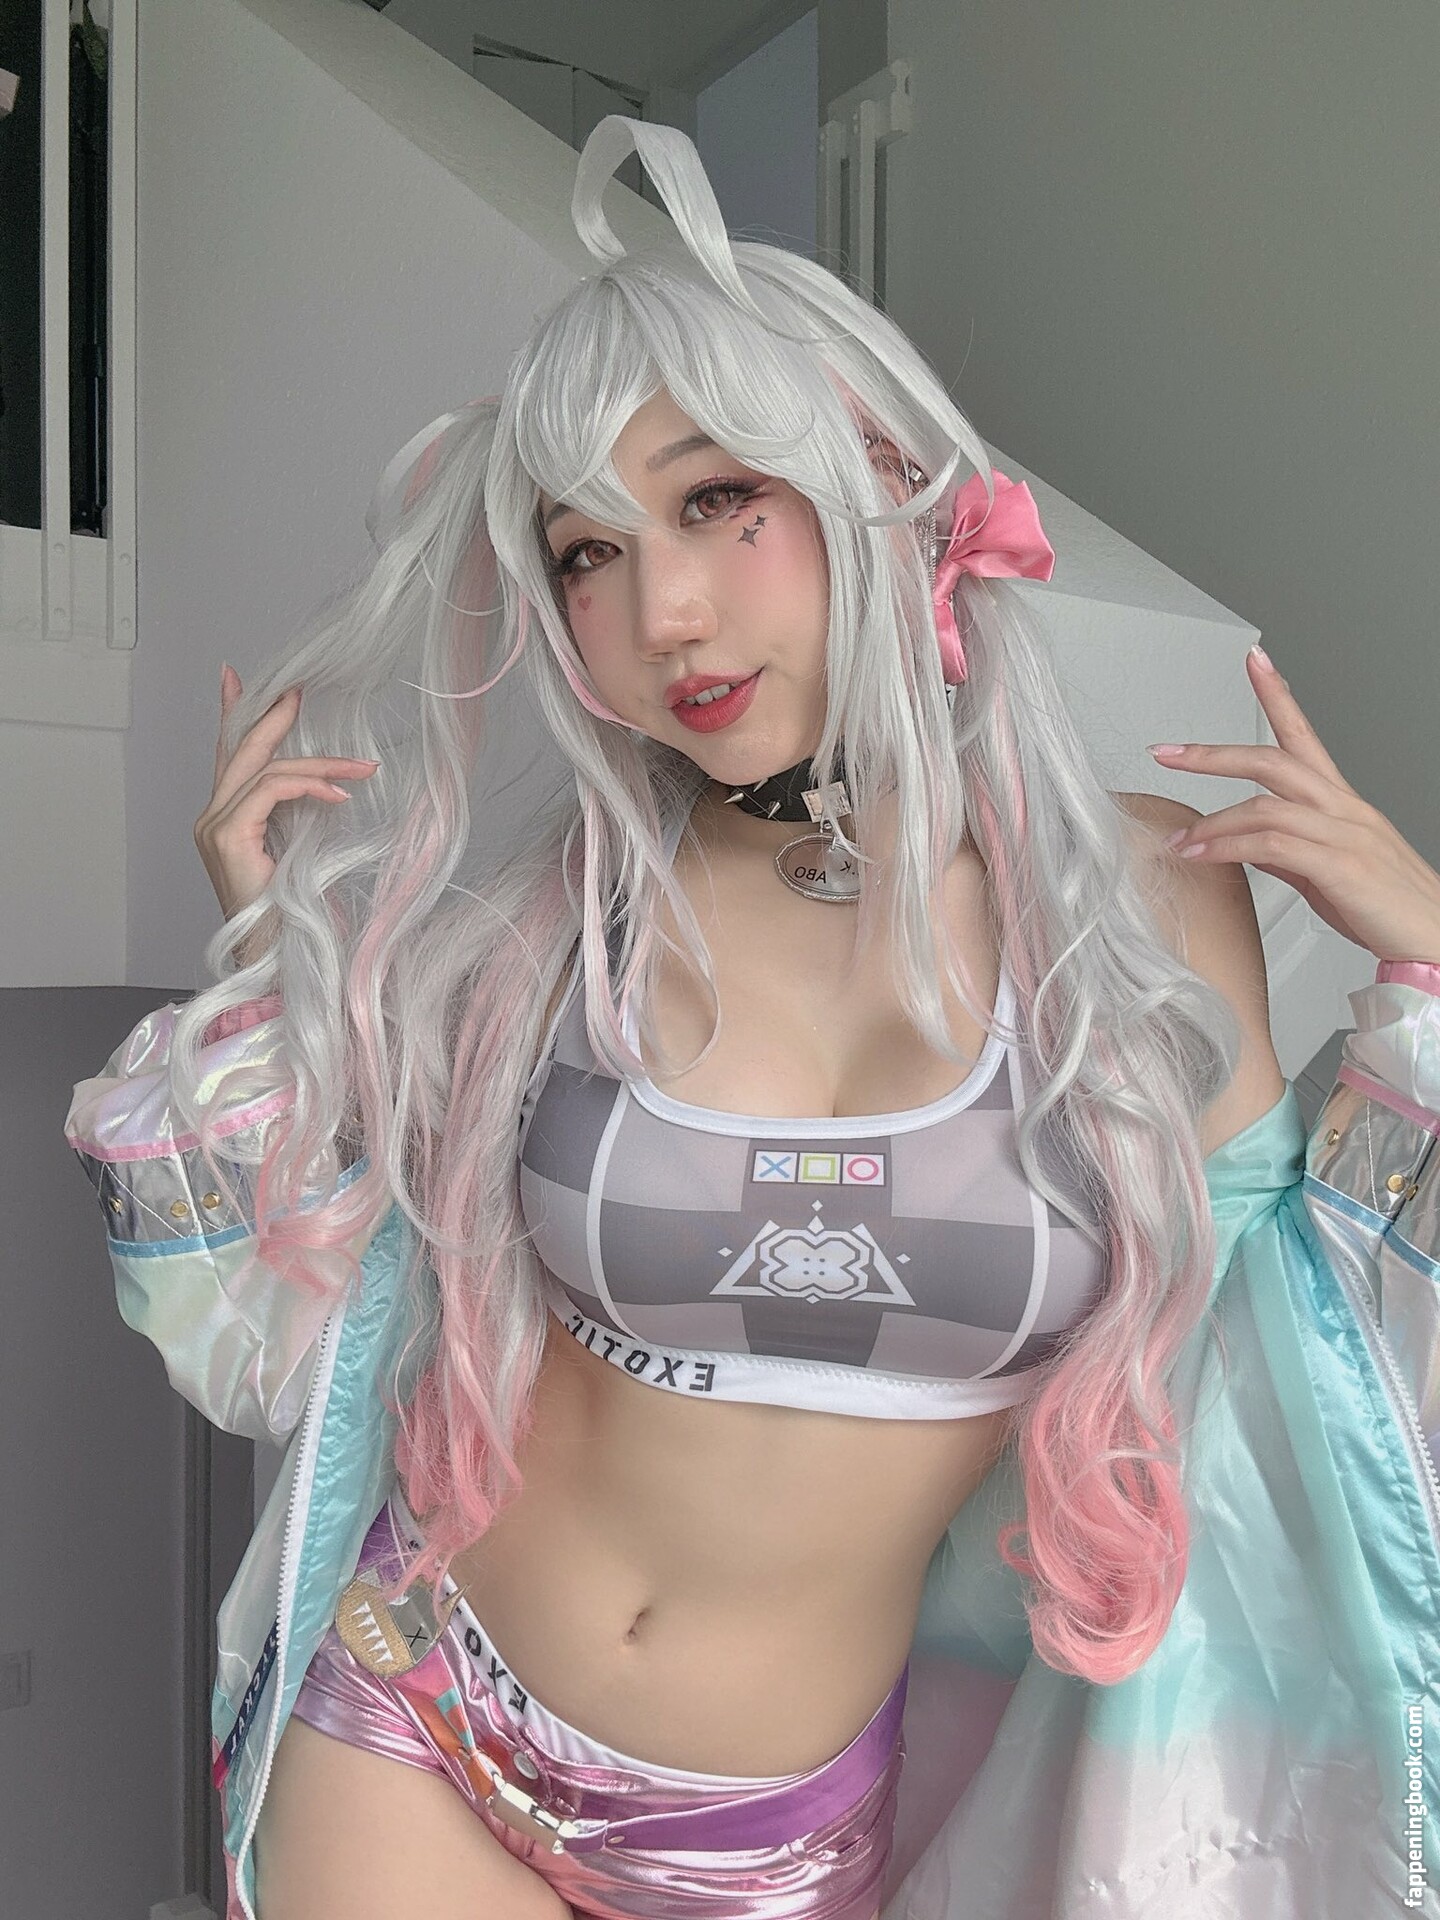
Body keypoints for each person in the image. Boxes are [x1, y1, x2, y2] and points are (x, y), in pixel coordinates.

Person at [64, 117, 1440, 1920]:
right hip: (418, 1702)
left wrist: (1429, 976)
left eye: (719, 500)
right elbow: (300, 1305)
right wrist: (276, 959)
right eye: (587, 552)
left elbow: (1297, 1373)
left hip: (763, 1838)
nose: (665, 612)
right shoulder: (562, 922)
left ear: (884, 491)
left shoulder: (1145, 900)